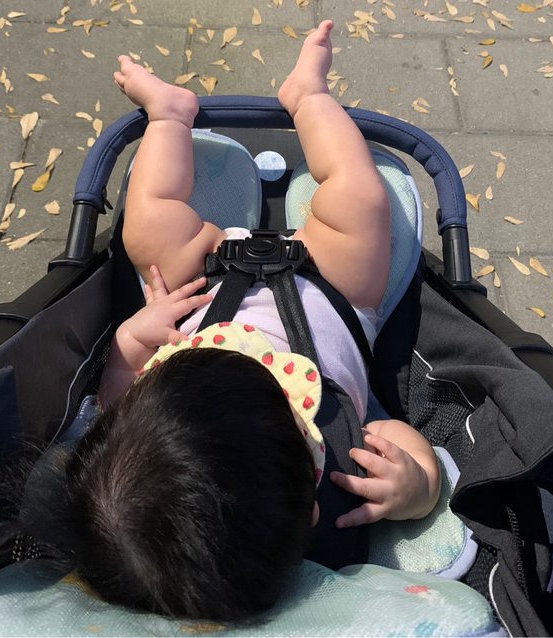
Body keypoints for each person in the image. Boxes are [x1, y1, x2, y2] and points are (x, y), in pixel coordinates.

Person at [64, 20, 440, 622]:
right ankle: (308, 97)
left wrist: (134, 337)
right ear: (310, 513)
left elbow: (115, 392)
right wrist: (416, 487)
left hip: (198, 291)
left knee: (148, 223)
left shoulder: (134, 439)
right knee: (360, 197)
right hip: (330, 289)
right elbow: (394, 433)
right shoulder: (340, 474)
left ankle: (169, 116)